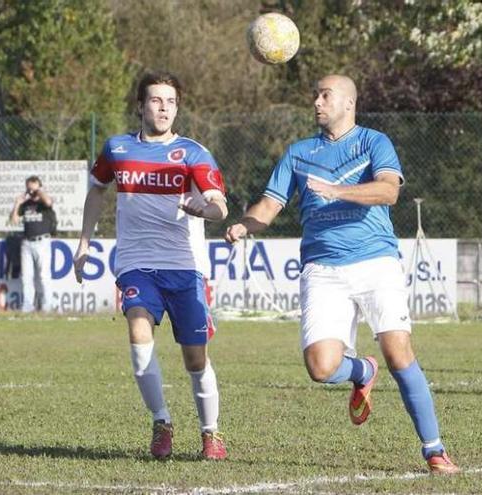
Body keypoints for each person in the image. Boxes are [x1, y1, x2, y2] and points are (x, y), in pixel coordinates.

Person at [224, 74, 459, 474]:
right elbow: (269, 205)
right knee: (321, 367)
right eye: (315, 94)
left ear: (348, 103)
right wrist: (244, 225)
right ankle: (362, 371)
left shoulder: (373, 142)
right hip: (322, 267)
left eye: (325, 95)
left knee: (398, 349)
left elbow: (388, 191)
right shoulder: (298, 153)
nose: (316, 102)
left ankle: (434, 450)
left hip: (376, 261)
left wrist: (338, 191)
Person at [73, 71, 229, 460]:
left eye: (171, 102)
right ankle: (162, 422)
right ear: (140, 106)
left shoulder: (193, 153)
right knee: (139, 335)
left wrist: (204, 208)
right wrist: (84, 243)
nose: (164, 108)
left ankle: (210, 434)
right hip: (136, 264)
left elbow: (219, 205)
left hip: (185, 268)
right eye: (156, 101)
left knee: (196, 359)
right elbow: (96, 190)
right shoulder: (117, 149)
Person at [9, 175, 55, 312]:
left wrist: (38, 191)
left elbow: (49, 202)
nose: (31, 191)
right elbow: (14, 221)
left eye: (33, 187)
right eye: (29, 188)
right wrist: (17, 203)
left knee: (43, 275)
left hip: (42, 241)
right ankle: (28, 305)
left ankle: (47, 305)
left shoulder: (43, 203)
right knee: (27, 276)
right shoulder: (26, 205)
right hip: (27, 243)